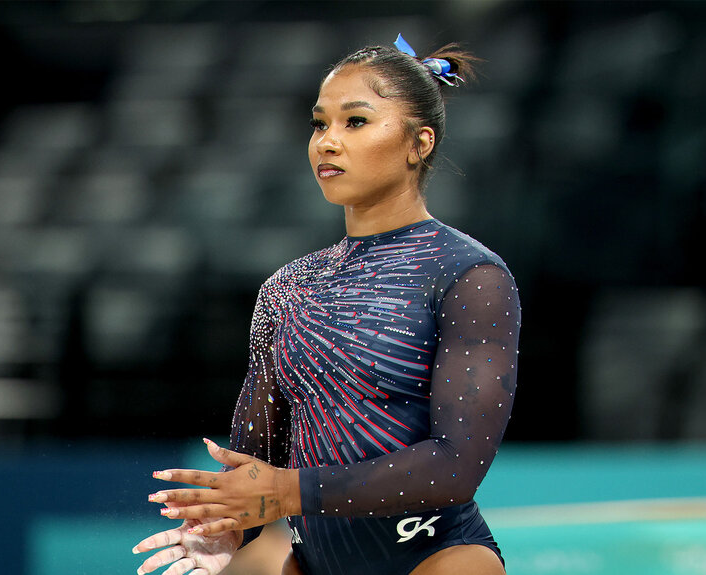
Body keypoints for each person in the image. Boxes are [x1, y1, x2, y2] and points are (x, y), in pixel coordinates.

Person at [133, 34, 521, 575]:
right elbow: (258, 462)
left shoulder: (469, 276)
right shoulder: (287, 289)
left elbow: (455, 467)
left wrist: (286, 492)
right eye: (319, 124)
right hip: (312, 562)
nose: (327, 142)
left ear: (420, 143)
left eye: (355, 122)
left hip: (438, 558)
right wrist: (225, 528)